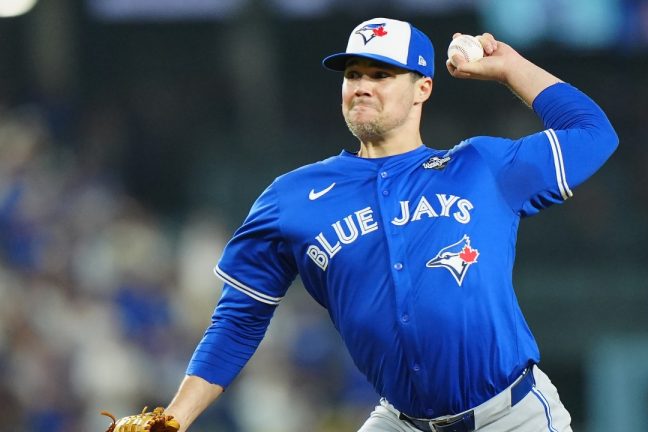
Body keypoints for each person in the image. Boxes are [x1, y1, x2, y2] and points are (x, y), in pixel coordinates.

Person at [159, 17, 618, 432]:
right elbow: (238, 320)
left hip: (511, 416)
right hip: (402, 422)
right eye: (353, 74)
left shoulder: (481, 166)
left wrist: (510, 68)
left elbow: (593, 133)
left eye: (381, 75)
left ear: (422, 88)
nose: (362, 86)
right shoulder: (292, 198)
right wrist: (174, 419)